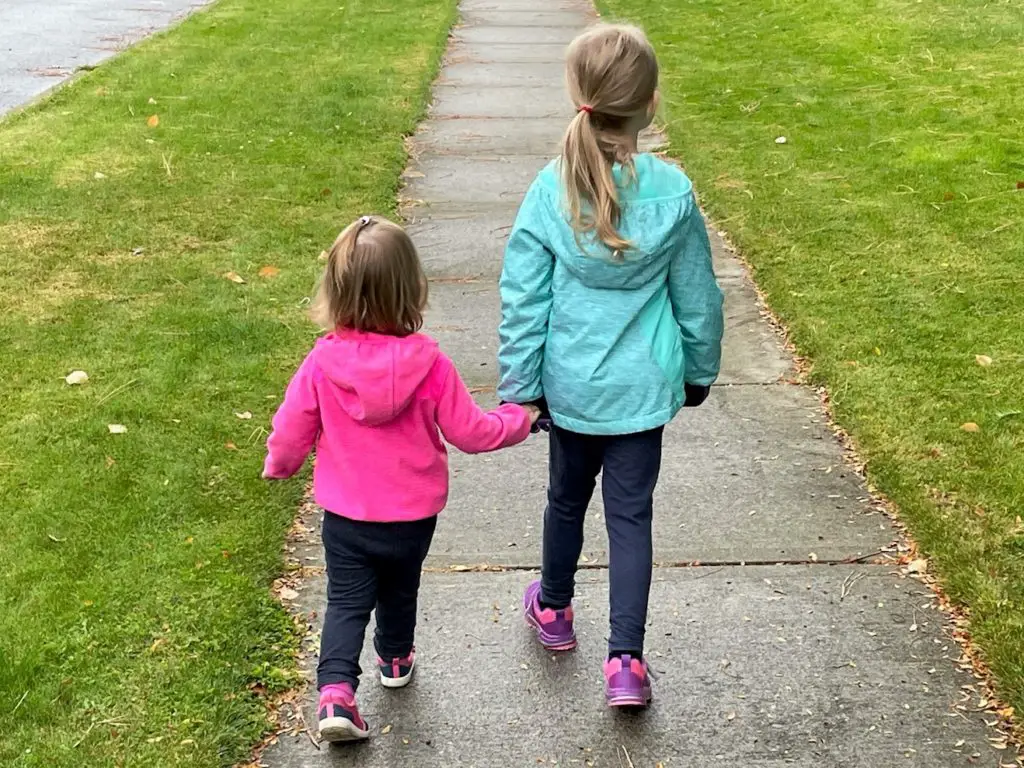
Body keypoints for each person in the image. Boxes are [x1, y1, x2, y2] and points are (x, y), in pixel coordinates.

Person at [498, 24, 725, 709]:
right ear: (650, 105)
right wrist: (699, 370)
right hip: (642, 388)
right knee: (631, 518)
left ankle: (556, 609)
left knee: (566, 498)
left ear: (579, 98)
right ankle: (625, 661)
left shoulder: (551, 189)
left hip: (572, 386)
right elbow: (698, 296)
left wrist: (521, 387)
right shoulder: (673, 192)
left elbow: (523, 297)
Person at [263, 215, 539, 742]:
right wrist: (519, 419)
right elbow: (473, 432)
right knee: (399, 587)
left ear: (336, 291)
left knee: (346, 601)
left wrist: (281, 463)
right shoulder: (430, 365)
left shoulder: (322, 364)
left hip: (346, 514)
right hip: (411, 515)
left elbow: (292, 424)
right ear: (412, 289)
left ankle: (335, 695)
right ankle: (394, 658)